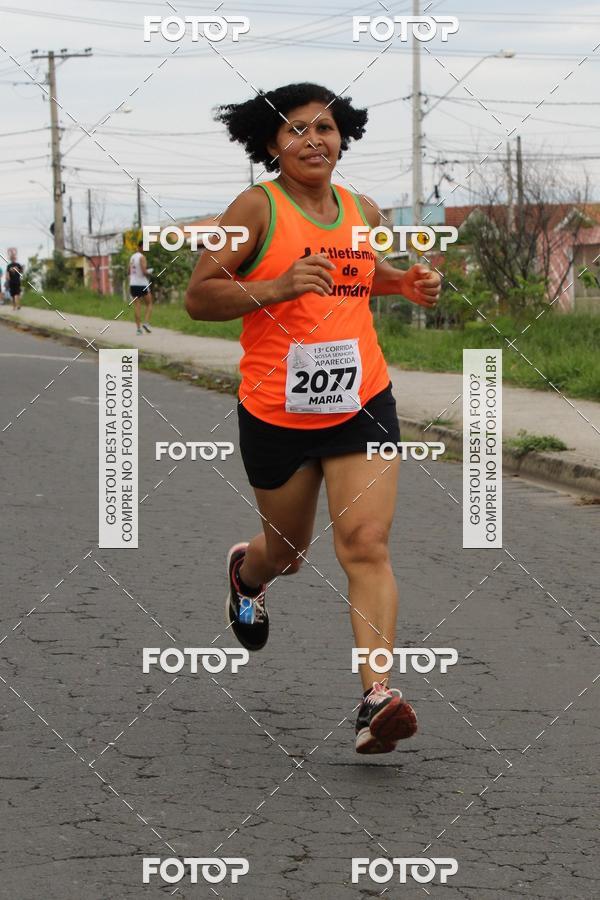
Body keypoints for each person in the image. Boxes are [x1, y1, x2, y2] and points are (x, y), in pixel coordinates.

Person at [185, 83, 441, 755]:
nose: (313, 140)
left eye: (325, 127)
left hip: (362, 399)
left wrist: (403, 283)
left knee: (366, 543)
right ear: (272, 144)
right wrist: (276, 286)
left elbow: (360, 272)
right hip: (278, 410)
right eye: (296, 129)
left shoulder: (362, 208)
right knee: (288, 552)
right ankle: (247, 575)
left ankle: (376, 698)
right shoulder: (254, 208)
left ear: (342, 138)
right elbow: (200, 297)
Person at [128, 240, 153, 335]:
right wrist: (150, 272)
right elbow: (144, 271)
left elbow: (128, 271)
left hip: (133, 284)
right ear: (140, 247)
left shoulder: (132, 257)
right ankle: (146, 323)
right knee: (149, 304)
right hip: (142, 284)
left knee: (137, 306)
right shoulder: (142, 257)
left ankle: (138, 329)